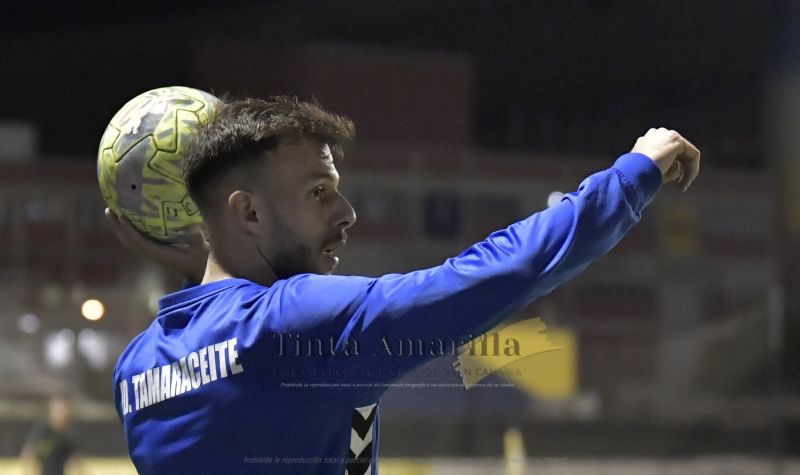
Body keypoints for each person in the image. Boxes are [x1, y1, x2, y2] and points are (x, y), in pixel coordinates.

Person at [109, 95, 699, 474]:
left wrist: (181, 248)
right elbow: (500, 271)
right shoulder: (298, 321)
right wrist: (634, 173)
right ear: (249, 213)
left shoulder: (138, 370)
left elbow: (220, 326)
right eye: (318, 192)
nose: (346, 213)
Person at [19, 394, 86, 475]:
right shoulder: (42, 430)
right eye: (56, 410)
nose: (59, 413)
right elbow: (28, 453)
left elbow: (78, 460)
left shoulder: (70, 434)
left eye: (62, 410)